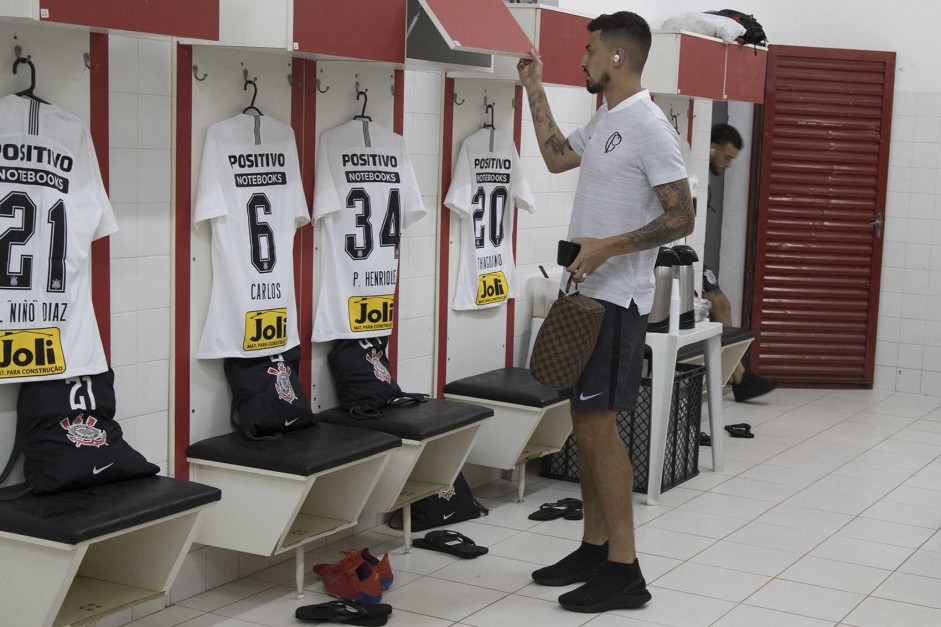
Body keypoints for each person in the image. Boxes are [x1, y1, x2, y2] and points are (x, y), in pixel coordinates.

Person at [517, 12, 694, 614]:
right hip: (587, 298)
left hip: (619, 301)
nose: (582, 59)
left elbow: (682, 217)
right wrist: (533, 87)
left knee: (599, 429)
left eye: (589, 50)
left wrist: (607, 247)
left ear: (617, 57)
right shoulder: (606, 120)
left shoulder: (649, 124)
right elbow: (556, 157)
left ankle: (626, 570)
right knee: (586, 426)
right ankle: (594, 548)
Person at [702, 123, 777, 402]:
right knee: (719, 305)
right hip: (679, 253)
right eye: (727, 157)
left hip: (694, 252)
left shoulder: (702, 174)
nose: (729, 165)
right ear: (712, 148)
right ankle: (738, 378)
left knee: (722, 305)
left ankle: (738, 376)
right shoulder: (693, 167)